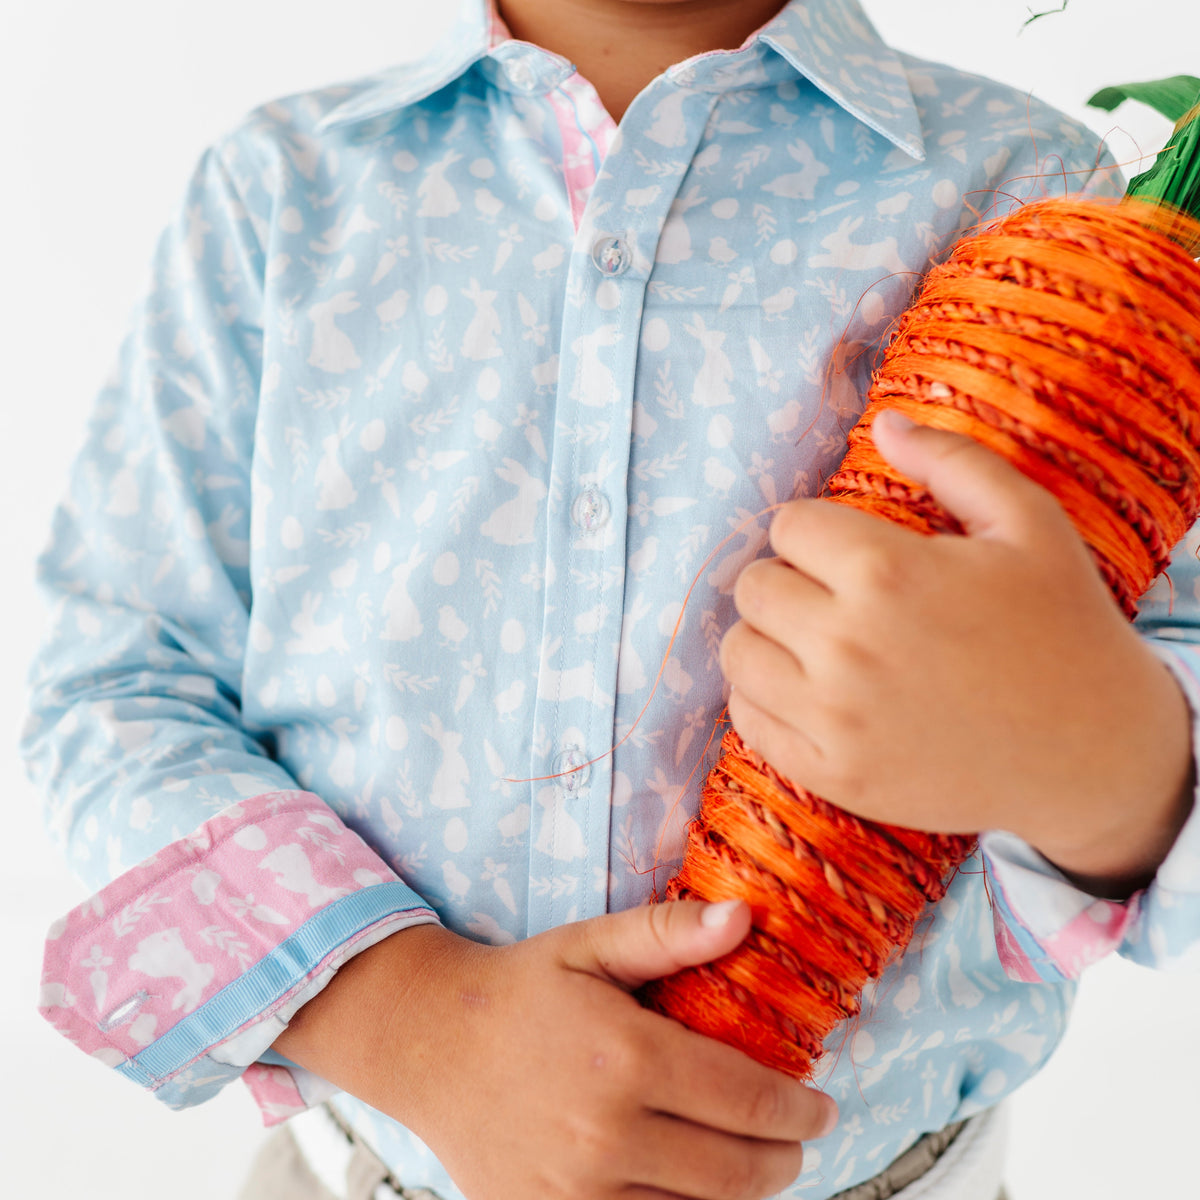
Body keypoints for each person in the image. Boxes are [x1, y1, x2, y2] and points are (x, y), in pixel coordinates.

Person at [22, 1, 1200, 1198]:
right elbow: (115, 681)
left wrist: (1114, 760)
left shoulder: (1052, 196)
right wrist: (408, 1020)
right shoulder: (279, 191)